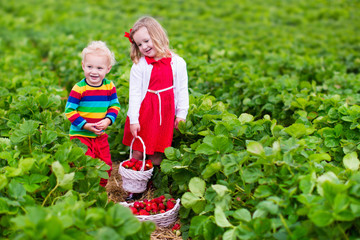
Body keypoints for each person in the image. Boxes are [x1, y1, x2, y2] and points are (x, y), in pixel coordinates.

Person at [122, 16, 189, 199]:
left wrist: (181, 114)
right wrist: (134, 119)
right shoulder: (140, 66)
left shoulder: (178, 62)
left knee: (158, 151)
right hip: (146, 110)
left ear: (157, 35)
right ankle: (134, 186)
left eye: (146, 40)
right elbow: (134, 94)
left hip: (165, 113)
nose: (144, 47)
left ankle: (151, 185)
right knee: (138, 148)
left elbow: (182, 90)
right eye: (139, 44)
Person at [65, 41, 120, 187]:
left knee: (105, 164)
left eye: (99, 68)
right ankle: (84, 188)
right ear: (83, 66)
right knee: (85, 163)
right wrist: (85, 125)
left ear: (107, 69)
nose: (94, 71)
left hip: (99, 135)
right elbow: (69, 111)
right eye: (89, 67)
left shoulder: (109, 86)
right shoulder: (79, 88)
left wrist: (108, 120)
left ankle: (99, 189)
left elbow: (115, 105)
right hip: (81, 134)